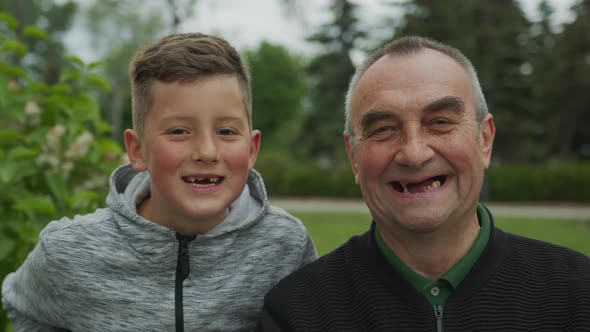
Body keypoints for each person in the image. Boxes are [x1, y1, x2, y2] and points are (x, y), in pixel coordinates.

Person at [256, 36, 590, 331]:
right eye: (384, 128)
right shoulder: (297, 312)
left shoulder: (577, 294)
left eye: (440, 122)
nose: (413, 154)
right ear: (354, 156)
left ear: (484, 140)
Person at [2, 32, 318, 332]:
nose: (206, 151)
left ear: (251, 150)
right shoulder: (66, 251)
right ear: (137, 151)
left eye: (226, 132)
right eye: (179, 131)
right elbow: (23, 306)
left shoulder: (286, 246)